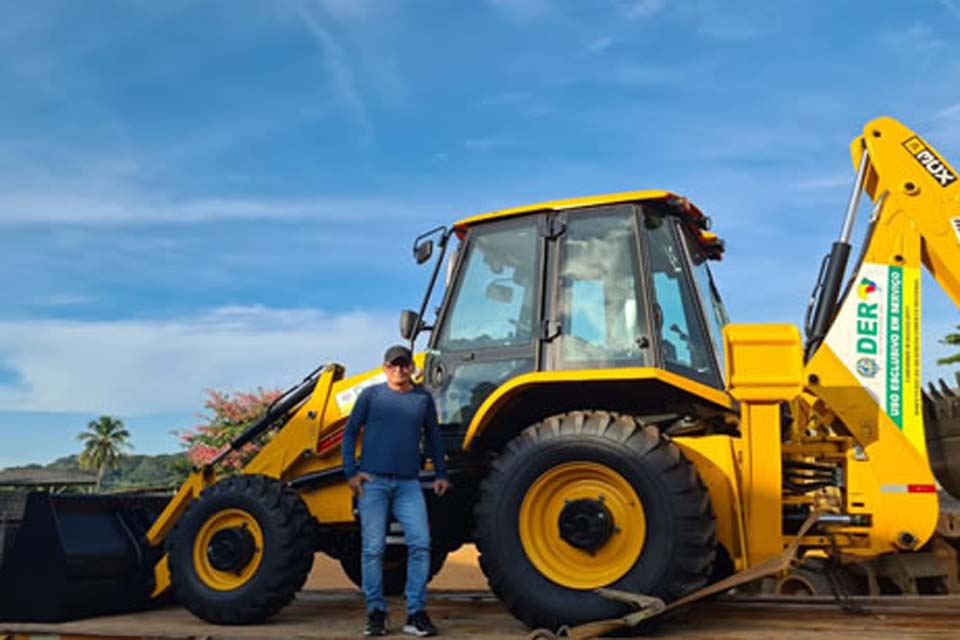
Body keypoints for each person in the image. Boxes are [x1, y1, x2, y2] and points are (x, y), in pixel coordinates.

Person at [342, 344, 450, 637]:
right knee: (373, 549)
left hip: (408, 484)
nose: (399, 370)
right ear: (384, 368)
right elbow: (350, 432)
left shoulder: (422, 399)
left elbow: (434, 438)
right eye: (393, 365)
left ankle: (415, 612)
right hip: (373, 483)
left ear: (411, 368)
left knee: (420, 544)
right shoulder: (371, 396)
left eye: (403, 365)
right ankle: (376, 611)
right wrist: (351, 472)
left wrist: (441, 472)